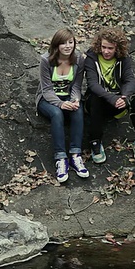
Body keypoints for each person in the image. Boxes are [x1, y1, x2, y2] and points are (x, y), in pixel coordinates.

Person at [84, 27, 135, 164]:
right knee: (97, 97)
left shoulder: (123, 58)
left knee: (133, 97)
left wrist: (124, 97)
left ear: (117, 48)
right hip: (97, 103)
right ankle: (95, 141)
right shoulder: (91, 57)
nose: (106, 51)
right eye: (104, 47)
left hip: (118, 103)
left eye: (110, 48)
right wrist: (111, 98)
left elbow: (130, 80)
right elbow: (92, 84)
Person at [35, 28, 89, 183]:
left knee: (78, 110)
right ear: (56, 45)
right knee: (57, 114)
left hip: (67, 96)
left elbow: (77, 86)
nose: (67, 46)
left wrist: (75, 100)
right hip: (47, 99)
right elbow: (46, 89)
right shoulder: (46, 60)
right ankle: (60, 158)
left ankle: (75, 155)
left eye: (70, 42)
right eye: (63, 43)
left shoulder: (79, 59)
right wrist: (60, 103)